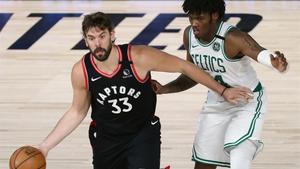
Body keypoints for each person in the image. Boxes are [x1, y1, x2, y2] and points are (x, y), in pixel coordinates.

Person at [37, 11, 252, 169]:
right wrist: (45, 147)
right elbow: (77, 111)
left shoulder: (138, 57)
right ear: (85, 41)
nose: (98, 44)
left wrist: (222, 91)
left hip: (141, 133)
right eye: (91, 39)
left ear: (112, 35)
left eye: (102, 36)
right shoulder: (81, 71)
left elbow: (185, 66)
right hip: (106, 138)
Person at [151, 0, 288, 169]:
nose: (194, 23)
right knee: (203, 165)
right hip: (216, 103)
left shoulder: (233, 37)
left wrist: (273, 62)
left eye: (200, 18)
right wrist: (165, 88)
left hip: (247, 102)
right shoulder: (189, 35)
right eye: (191, 17)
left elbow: (257, 51)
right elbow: (192, 76)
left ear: (214, 15)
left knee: (239, 156)